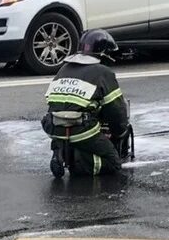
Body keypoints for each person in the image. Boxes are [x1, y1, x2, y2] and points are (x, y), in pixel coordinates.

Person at [42, 29, 131, 178]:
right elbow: (116, 111)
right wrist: (119, 133)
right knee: (113, 162)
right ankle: (79, 162)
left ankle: (59, 151)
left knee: (66, 121)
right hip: (81, 130)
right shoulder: (103, 72)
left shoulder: (64, 68)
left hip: (52, 126)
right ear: (104, 53)